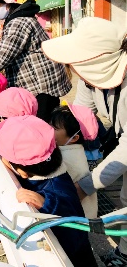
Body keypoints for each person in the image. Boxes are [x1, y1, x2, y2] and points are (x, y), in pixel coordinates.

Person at [42, 16, 127, 266]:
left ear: (96, 62)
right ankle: (124, 254)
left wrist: (85, 185)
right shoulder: (92, 82)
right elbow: (77, 116)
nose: (74, 70)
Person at [0, 115, 97, 266]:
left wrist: (47, 204)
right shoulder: (49, 170)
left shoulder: (58, 190)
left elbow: (75, 232)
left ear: (23, 173)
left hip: (73, 259)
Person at [0, 0, 71, 122]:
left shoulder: (19, 21)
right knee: (42, 122)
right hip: (38, 82)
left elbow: (3, 55)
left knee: (40, 124)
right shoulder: (15, 20)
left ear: (8, 4)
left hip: (41, 84)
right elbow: (1, 51)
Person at [50, 104, 98, 219]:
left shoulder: (67, 159)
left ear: (74, 138)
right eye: (49, 124)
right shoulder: (75, 150)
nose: (48, 129)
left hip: (77, 219)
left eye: (54, 128)